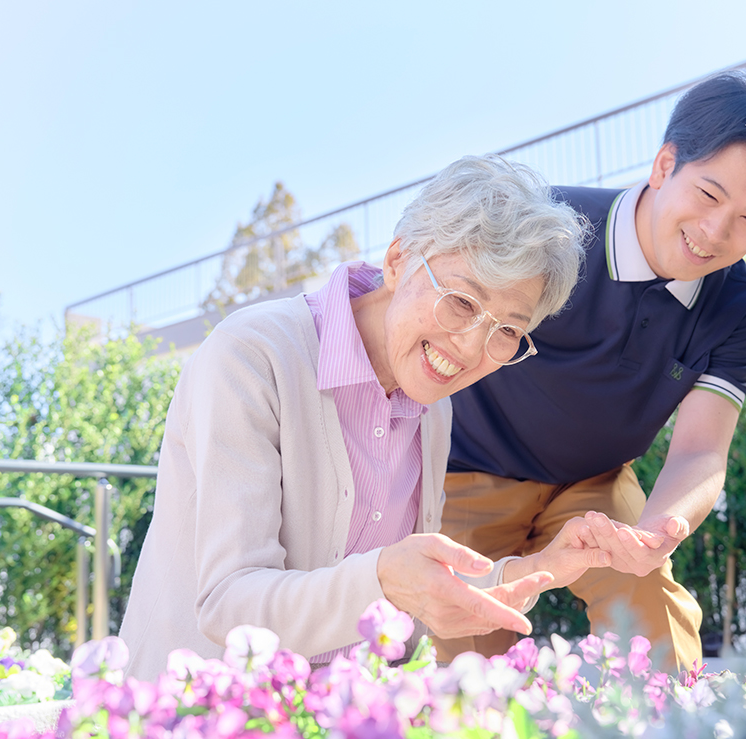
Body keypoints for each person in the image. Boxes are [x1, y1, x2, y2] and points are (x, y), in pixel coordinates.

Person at [119, 155, 626, 681]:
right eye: (461, 301)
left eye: (506, 331)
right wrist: (382, 579)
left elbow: (415, 589)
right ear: (397, 260)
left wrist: (537, 568)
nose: (473, 347)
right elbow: (230, 604)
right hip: (195, 714)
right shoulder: (252, 357)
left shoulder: (432, 409)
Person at [439, 71, 746, 672]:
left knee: (651, 608)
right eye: (709, 195)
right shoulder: (549, 231)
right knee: (459, 651)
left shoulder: (737, 308)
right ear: (665, 164)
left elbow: (700, 452)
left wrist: (661, 529)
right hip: (467, 471)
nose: (716, 233)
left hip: (593, 484)